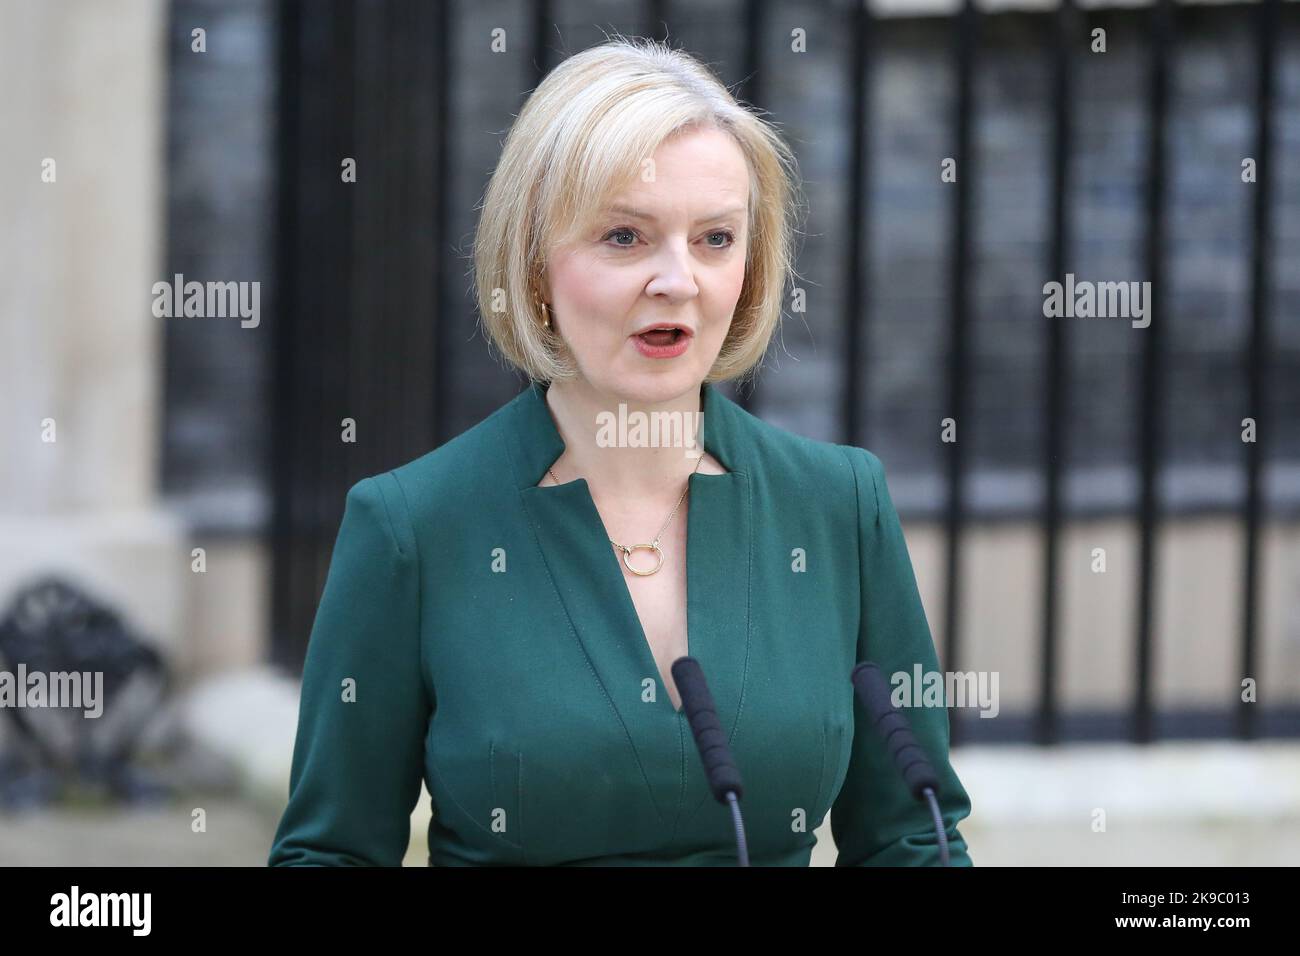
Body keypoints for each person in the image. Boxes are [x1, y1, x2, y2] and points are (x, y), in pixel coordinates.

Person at [268, 35, 972, 866]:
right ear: (534, 266)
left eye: (715, 239)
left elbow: (908, 838)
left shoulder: (837, 505)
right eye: (625, 238)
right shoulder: (411, 527)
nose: (678, 279)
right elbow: (331, 854)